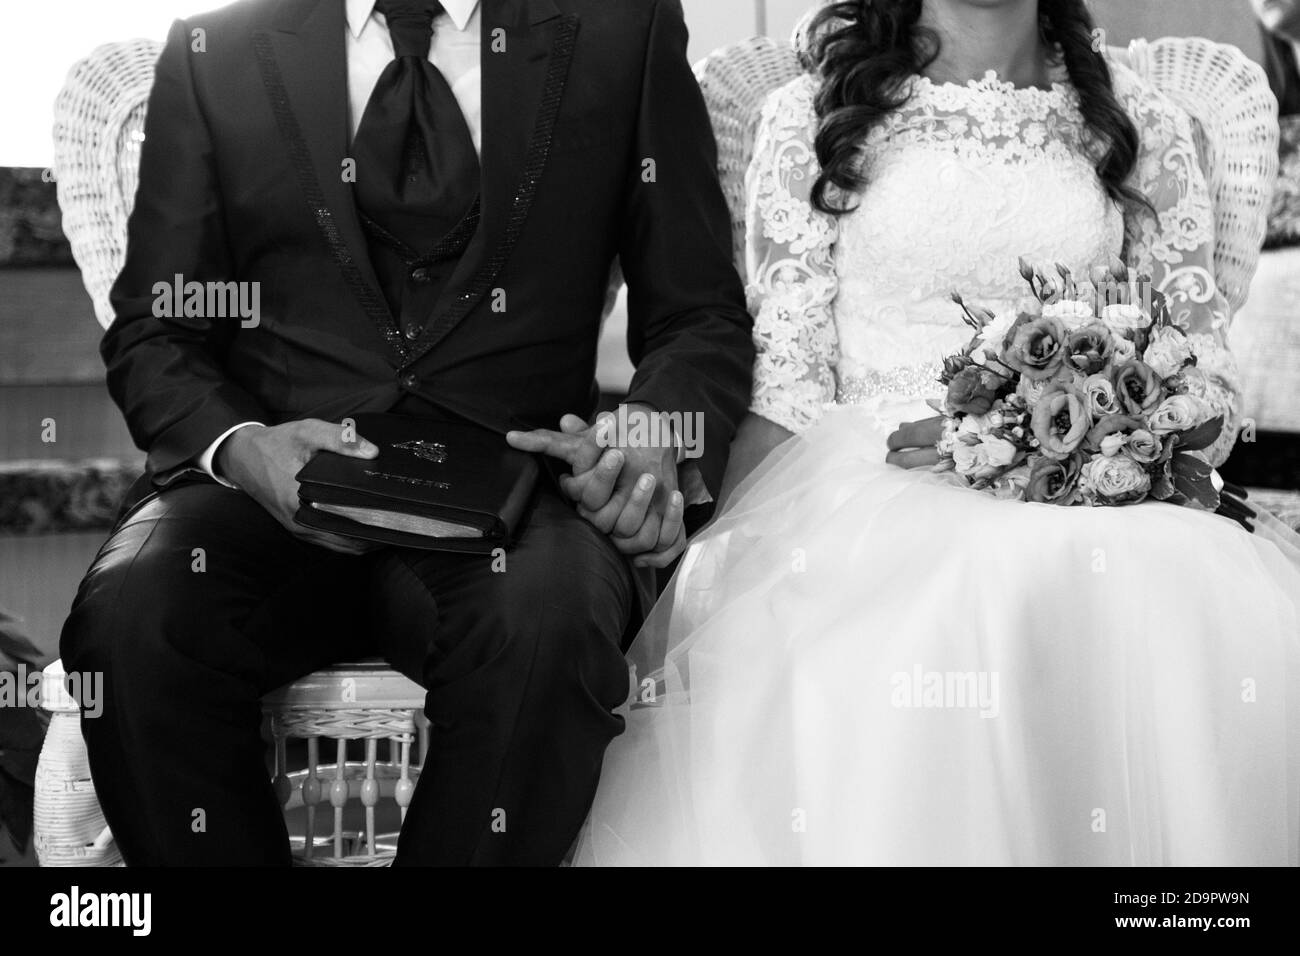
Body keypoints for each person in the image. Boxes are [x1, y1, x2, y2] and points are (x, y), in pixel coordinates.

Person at [575, 0, 1300, 866]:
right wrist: (717, 566)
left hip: (1092, 491)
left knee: (1168, 589)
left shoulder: (1145, 121)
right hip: (865, 479)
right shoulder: (811, 117)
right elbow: (788, 384)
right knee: (961, 597)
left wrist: (1075, 444)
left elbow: (1199, 374)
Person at [59, 0, 753, 866]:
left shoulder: (623, 28)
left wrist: (655, 427)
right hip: (261, 493)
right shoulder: (216, 50)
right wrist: (243, 447)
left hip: (516, 496)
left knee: (548, 630)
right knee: (133, 620)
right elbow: (155, 331)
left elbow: (698, 314)